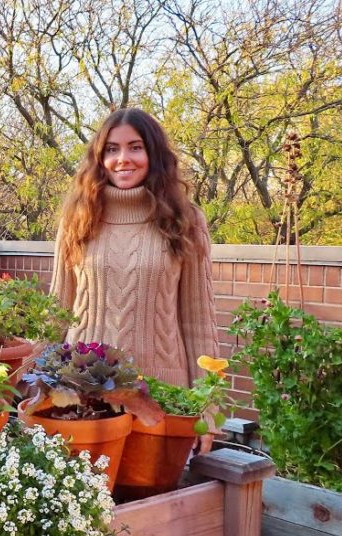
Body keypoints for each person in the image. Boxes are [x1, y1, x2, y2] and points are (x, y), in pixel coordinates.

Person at [50, 108, 219, 389]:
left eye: (135, 147)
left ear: (154, 155)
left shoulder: (184, 220)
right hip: (82, 390)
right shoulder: (77, 219)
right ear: (100, 158)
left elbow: (199, 323)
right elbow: (56, 312)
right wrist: (23, 387)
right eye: (112, 149)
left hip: (162, 392)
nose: (122, 159)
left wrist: (207, 409)